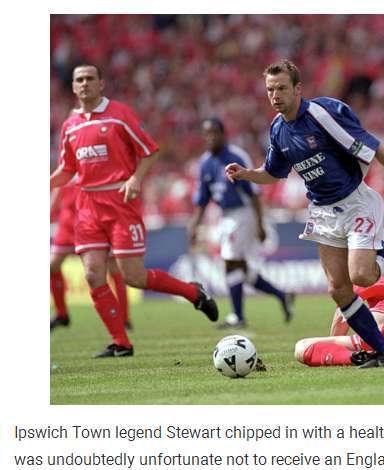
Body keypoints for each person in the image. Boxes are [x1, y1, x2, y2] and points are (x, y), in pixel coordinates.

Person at [225, 59, 384, 368]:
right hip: (322, 212)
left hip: (356, 202)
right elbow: (272, 173)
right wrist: (245, 174)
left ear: (298, 89)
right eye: (270, 90)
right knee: (338, 289)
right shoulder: (278, 130)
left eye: (281, 88)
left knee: (361, 275)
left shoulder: (322, 114)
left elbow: (371, 146)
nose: (275, 95)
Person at [49, 64, 219, 358]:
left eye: (90, 78)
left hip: (120, 202)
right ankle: (121, 342)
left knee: (133, 277)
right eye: (79, 80)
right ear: (74, 87)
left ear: (101, 83)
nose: (84, 83)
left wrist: (135, 178)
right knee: (92, 274)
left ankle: (193, 293)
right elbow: (67, 169)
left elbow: (149, 150)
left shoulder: (119, 115)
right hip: (87, 206)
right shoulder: (70, 125)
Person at [188, 117, 295, 328]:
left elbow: (254, 193)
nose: (210, 137)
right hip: (225, 215)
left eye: (214, 133)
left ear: (223, 134)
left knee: (230, 261)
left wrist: (260, 224)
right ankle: (281, 295)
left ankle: (238, 316)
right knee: (240, 267)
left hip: (243, 212)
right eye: (207, 134)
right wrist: (194, 225)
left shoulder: (236, 156)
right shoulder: (205, 163)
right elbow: (202, 200)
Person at [50, 181, 132, 331]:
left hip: (91, 221)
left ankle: (124, 317)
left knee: (114, 269)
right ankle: (62, 314)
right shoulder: (66, 168)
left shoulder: (91, 168)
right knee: (52, 265)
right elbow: (58, 187)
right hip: (67, 224)